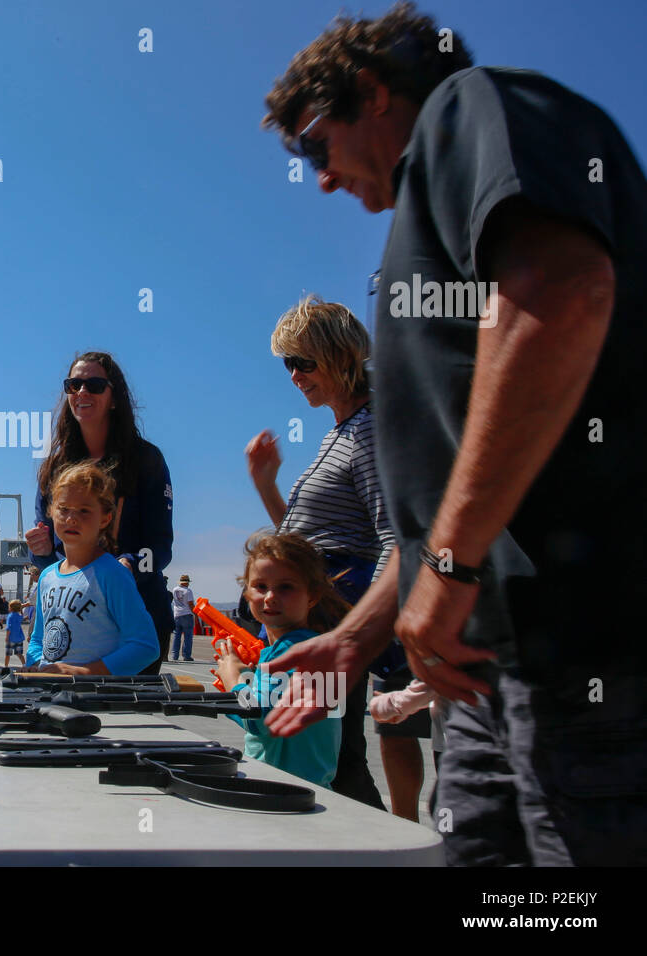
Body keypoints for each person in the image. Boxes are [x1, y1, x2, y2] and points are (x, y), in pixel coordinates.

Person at [260, 2, 646, 865]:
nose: (318, 178)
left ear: (373, 91)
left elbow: (566, 291)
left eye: (313, 144)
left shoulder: (475, 107)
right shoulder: (418, 233)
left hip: (589, 649)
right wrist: (358, 639)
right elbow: (443, 488)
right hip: (480, 672)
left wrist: (452, 562)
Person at [245, 295, 394, 811]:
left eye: (303, 362)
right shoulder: (343, 430)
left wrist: (360, 631)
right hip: (323, 614)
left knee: (339, 758)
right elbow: (300, 544)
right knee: (336, 756)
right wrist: (267, 486)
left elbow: (391, 535)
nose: (294, 376)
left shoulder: (369, 429)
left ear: (341, 355)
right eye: (288, 364)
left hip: (333, 619)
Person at [26, 352, 173, 674]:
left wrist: (130, 564)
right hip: (70, 626)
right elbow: (51, 559)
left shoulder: (146, 460)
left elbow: (160, 546)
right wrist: (39, 552)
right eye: (73, 384)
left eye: (93, 384)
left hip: (137, 617)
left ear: (115, 398)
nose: (81, 392)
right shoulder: (54, 466)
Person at [214, 533, 347, 788]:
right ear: (246, 592)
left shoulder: (289, 653)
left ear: (312, 596)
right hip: (313, 785)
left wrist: (234, 681)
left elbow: (260, 718)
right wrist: (242, 688)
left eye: (285, 587)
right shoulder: (316, 648)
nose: (270, 597)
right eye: (260, 586)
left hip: (280, 787)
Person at [26, 462, 159, 675]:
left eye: (84, 510)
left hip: (95, 702)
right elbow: (38, 639)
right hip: (49, 696)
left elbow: (145, 646)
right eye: (64, 509)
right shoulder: (47, 577)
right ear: (51, 512)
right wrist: (38, 667)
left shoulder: (113, 574)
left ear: (105, 518)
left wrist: (84, 672)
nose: (71, 518)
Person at [170, 574, 195, 661]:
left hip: (177, 614)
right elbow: (191, 604)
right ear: (186, 582)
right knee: (188, 636)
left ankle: (174, 655)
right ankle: (186, 656)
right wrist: (195, 613)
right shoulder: (188, 591)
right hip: (187, 614)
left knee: (177, 636)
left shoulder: (174, 589)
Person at [4, 600, 27, 668]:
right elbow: (22, 616)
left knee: (8, 654)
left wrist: (7, 637)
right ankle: (24, 665)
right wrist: (21, 609)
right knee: (19, 653)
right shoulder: (19, 616)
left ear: (11, 608)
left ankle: (6, 666)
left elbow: (9, 627)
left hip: (11, 638)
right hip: (19, 638)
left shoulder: (10, 616)